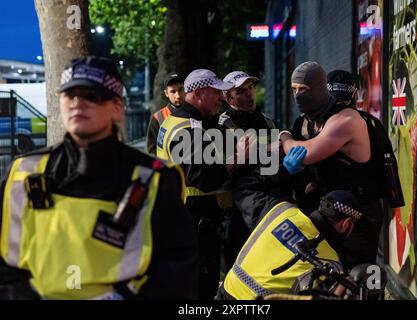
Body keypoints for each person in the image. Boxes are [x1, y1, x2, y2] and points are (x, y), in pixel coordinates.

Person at [0, 57, 198, 300]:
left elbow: (177, 273)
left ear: (117, 106)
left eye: (91, 95)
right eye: (69, 95)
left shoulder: (154, 178)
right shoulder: (23, 172)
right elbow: (5, 268)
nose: (77, 103)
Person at [279, 62, 384, 266]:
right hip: (329, 213)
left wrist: (284, 137)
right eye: (294, 89)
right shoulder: (308, 121)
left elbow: (304, 153)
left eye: (304, 89)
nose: (298, 95)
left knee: (356, 281)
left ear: (320, 88)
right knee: (324, 277)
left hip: (356, 217)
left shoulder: (346, 119)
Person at [156, 69, 241, 299]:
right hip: (194, 219)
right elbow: (202, 178)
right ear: (201, 93)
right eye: (217, 93)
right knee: (201, 287)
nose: (222, 98)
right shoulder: (187, 128)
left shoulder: (180, 121)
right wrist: (234, 162)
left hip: (184, 216)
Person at [217, 180, 366, 300]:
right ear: (345, 224)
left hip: (227, 290)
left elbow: (245, 189)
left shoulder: (281, 210)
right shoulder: (331, 263)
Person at [217, 71, 277, 272]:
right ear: (228, 97)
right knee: (235, 264)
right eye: (241, 91)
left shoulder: (267, 122)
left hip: (266, 200)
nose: (249, 94)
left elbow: (275, 161)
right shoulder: (223, 125)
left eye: (251, 88)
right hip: (236, 207)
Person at [146, 72, 185, 154]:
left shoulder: (194, 113)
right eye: (173, 91)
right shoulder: (158, 117)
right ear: (166, 93)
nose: (178, 95)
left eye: (181, 90)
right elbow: (152, 150)